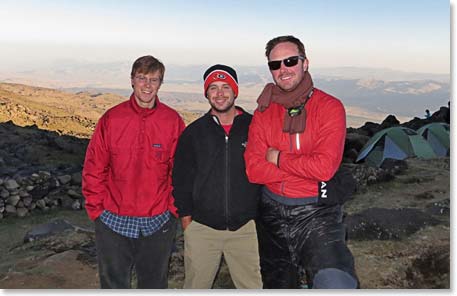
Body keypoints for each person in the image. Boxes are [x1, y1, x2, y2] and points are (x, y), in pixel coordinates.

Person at [244, 35, 358, 289]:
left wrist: (278, 158)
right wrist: (304, 171)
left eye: (290, 61)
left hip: (318, 213)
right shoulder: (264, 111)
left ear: (305, 63)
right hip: (271, 214)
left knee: (335, 282)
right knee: (278, 285)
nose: (283, 69)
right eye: (275, 65)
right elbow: (253, 170)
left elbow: (325, 168)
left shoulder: (329, 107)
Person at [82, 55, 185, 288]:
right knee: (113, 285)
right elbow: (94, 167)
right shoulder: (112, 119)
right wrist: (97, 211)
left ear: (161, 83)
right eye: (142, 78)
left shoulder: (172, 121)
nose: (147, 85)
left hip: (158, 221)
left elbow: (180, 172)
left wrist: (172, 210)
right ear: (132, 80)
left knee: (154, 285)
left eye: (154, 79)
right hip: (112, 220)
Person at [172, 64, 262, 289]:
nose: (220, 94)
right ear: (206, 93)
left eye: (225, 87)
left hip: (247, 228)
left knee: (253, 287)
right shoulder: (193, 133)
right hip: (202, 229)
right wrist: (187, 222)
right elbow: (181, 180)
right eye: (213, 88)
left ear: (235, 91)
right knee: (196, 287)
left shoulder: (255, 127)